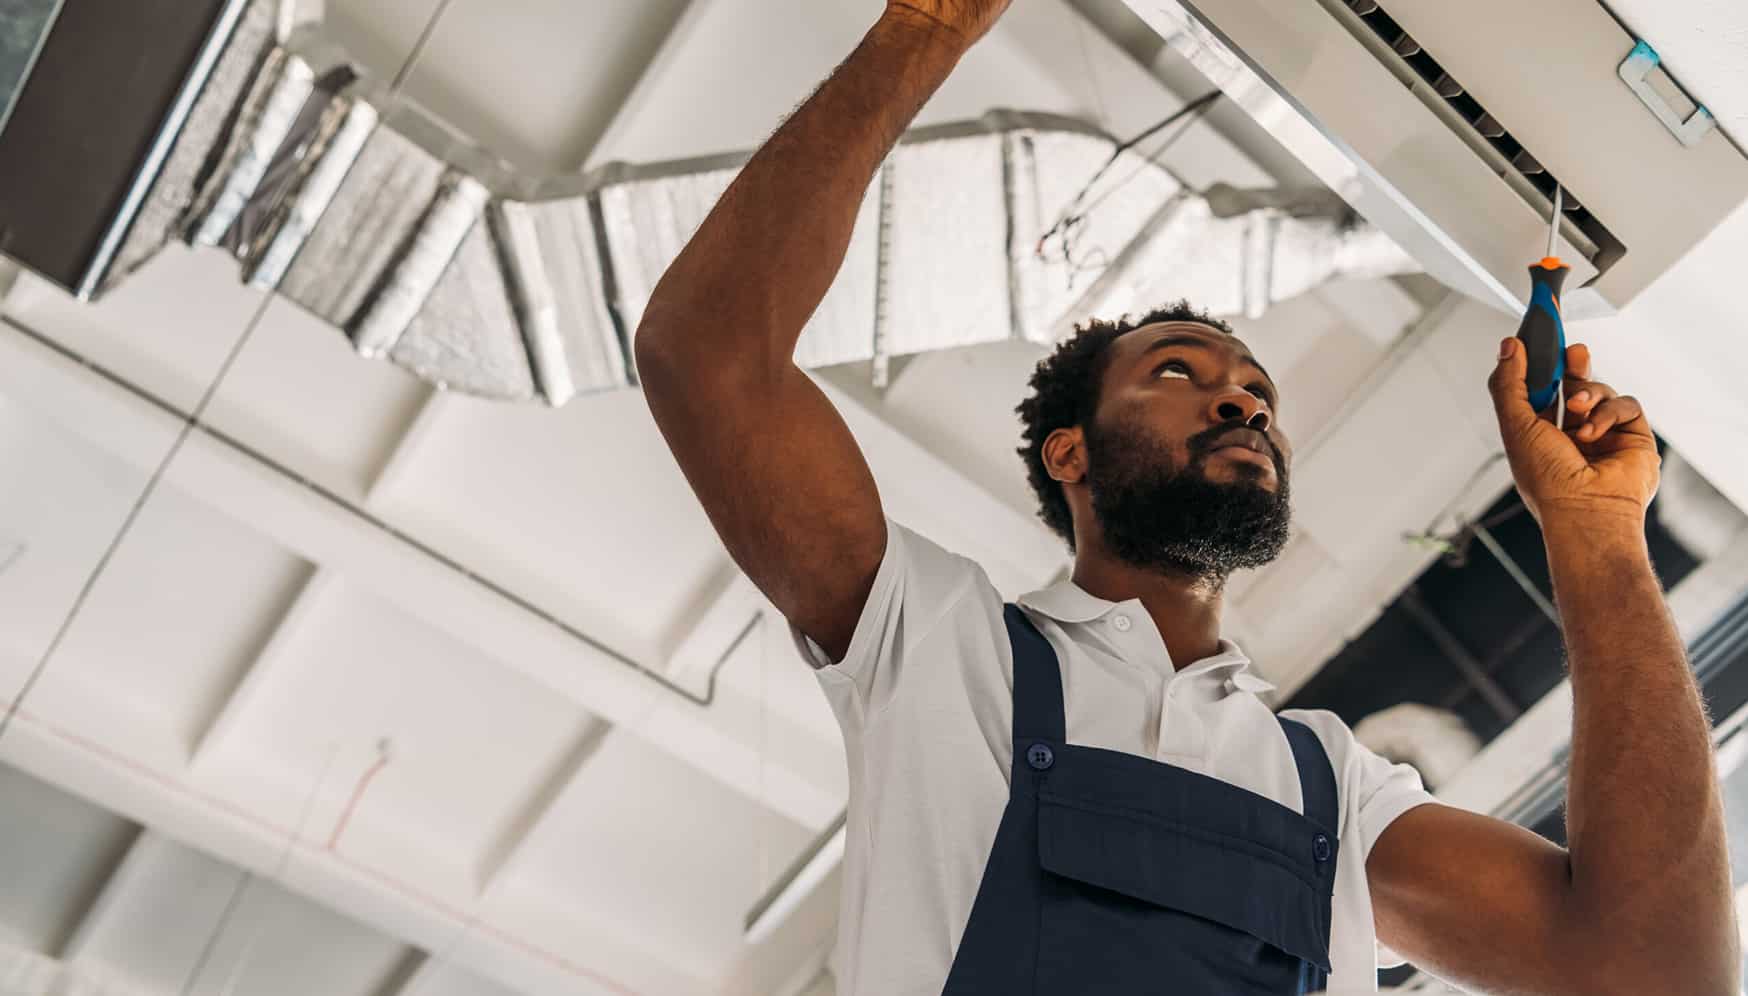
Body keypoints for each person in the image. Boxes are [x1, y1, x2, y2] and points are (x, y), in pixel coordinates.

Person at [633, 2, 1738, 992]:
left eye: (1256, 391)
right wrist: (925, 26)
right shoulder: (934, 647)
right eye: (1179, 374)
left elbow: (1650, 973)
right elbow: (710, 355)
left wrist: (1597, 538)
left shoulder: (1333, 793)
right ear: (1068, 453)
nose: (1239, 404)